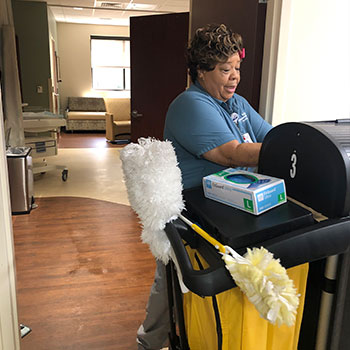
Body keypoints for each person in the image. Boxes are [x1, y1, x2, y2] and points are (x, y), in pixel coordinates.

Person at [136, 23, 272, 350]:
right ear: (201, 71)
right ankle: (149, 341)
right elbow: (231, 153)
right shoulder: (190, 104)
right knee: (172, 278)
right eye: (225, 70)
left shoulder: (236, 104)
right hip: (193, 212)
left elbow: (269, 135)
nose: (234, 76)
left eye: (237, 68)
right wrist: (293, 149)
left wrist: (295, 141)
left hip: (231, 203)